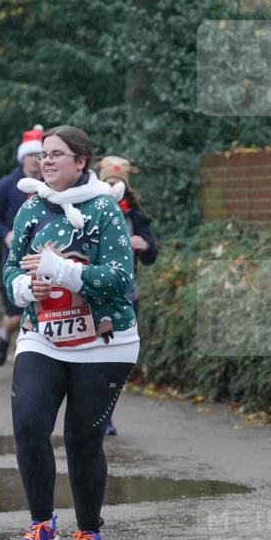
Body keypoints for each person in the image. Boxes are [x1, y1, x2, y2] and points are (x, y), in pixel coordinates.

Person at [2, 125, 139, 540]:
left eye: (57, 154)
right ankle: (42, 525)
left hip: (104, 341)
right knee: (28, 425)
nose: (46, 161)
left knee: (82, 439)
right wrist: (26, 286)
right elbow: (11, 269)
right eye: (44, 154)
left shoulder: (104, 208)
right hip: (42, 335)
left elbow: (119, 278)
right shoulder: (30, 209)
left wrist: (60, 270)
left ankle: (89, 531)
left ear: (81, 162)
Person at [96, 155, 159, 436]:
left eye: (117, 183)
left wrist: (145, 246)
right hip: (95, 298)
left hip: (127, 298)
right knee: (96, 358)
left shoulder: (134, 216)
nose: (113, 188)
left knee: (117, 360)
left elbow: (151, 256)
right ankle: (92, 412)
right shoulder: (88, 212)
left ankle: (106, 414)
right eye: (108, 183)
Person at [0, 125, 43, 366]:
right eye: (31, 155)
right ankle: (4, 335)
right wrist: (6, 233)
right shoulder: (8, 184)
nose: (35, 160)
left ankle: (31, 362)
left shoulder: (51, 185)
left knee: (39, 311)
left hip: (44, 259)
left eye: (39, 155)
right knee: (15, 317)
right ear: (22, 157)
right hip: (14, 260)